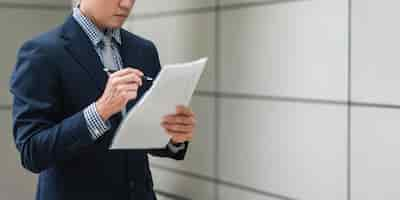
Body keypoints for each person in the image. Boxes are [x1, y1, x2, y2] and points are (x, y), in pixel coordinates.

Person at [9, 0, 196, 199]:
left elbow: (145, 137)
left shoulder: (144, 50)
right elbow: (32, 153)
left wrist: (173, 136)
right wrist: (100, 111)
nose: (126, 4)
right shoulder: (41, 53)